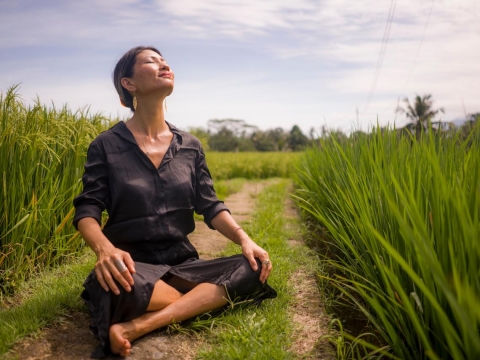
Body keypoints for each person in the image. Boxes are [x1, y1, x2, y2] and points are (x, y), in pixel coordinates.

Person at [73, 45, 276, 358]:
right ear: (129, 84)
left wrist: (244, 239)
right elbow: (87, 209)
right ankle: (202, 300)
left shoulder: (190, 146)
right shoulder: (106, 145)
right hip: (132, 264)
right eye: (151, 61)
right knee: (113, 284)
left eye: (164, 60)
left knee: (251, 267)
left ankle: (137, 325)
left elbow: (210, 205)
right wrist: (105, 250)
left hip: (182, 264)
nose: (163, 64)